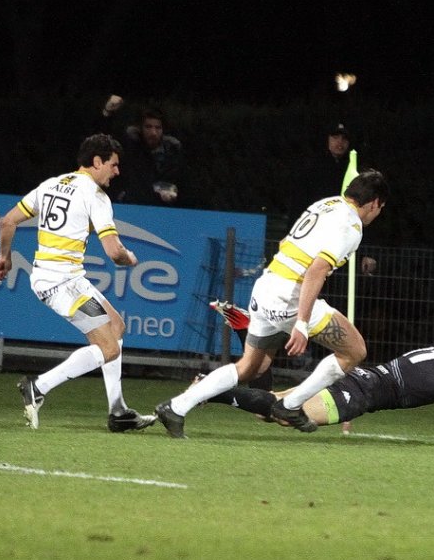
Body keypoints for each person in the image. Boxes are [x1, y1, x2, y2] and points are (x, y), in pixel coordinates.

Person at [154, 168, 390, 439]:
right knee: (354, 351)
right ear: (374, 203)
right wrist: (301, 323)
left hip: (266, 286)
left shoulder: (325, 204)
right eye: (380, 209)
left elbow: (284, 243)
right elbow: (316, 270)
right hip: (289, 296)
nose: (377, 214)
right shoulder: (351, 225)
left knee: (251, 367)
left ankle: (176, 407)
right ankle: (290, 406)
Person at [0, 133, 155, 433]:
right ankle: (38, 386)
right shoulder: (95, 196)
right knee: (108, 348)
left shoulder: (50, 184)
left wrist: (5, 257)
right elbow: (114, 251)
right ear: (97, 162)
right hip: (61, 283)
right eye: (114, 165)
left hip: (64, 277)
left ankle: (118, 411)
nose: (117, 172)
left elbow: (8, 221)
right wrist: (130, 258)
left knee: (116, 327)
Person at [203, 317, 434, 452]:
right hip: (357, 394)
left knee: (268, 410)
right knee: (280, 414)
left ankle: (216, 380)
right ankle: (213, 390)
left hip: (359, 379)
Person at [100, 95, 186, 206]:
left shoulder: (172, 152)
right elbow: (104, 138)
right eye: (148, 127)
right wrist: (107, 113)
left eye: (157, 128)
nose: (153, 133)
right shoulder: (129, 147)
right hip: (129, 208)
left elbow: (180, 185)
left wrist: (173, 195)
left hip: (162, 212)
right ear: (140, 128)